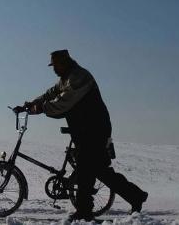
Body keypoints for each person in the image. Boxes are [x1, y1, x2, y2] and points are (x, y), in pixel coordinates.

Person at [15, 49, 148, 221]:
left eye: (56, 65)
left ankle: (84, 211)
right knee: (100, 171)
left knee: (85, 169)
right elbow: (51, 93)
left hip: (94, 129)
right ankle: (136, 196)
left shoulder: (78, 78)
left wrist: (41, 108)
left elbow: (63, 102)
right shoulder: (66, 79)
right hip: (84, 130)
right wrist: (31, 104)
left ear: (64, 63)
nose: (54, 69)